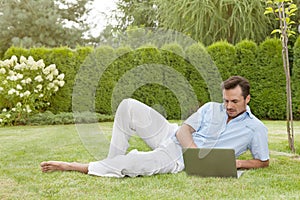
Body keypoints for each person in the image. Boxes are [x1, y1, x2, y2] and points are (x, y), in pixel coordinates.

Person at [40, 76, 269, 177]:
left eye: (234, 102)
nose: (228, 105)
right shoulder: (211, 107)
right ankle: (111, 161)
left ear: (247, 99)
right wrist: (194, 152)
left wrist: (237, 163)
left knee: (137, 162)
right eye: (226, 100)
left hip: (177, 156)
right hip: (175, 136)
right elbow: (183, 130)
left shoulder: (255, 128)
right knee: (128, 106)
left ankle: (75, 166)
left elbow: (263, 161)